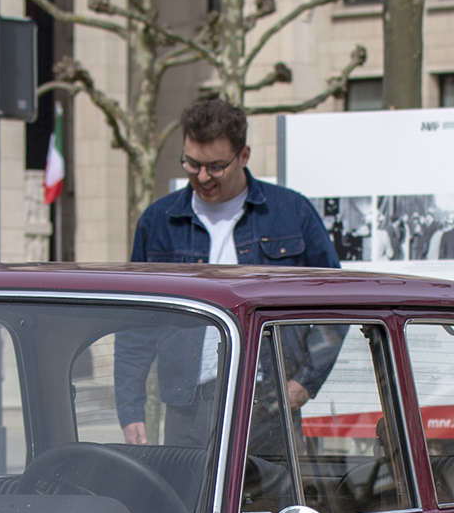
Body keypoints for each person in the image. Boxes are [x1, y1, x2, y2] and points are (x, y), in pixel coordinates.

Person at [118, 99, 341, 448]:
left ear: (244, 156)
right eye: (192, 163)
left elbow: (335, 301)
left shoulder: (291, 212)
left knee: (273, 502)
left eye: (216, 167)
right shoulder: (158, 222)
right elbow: (136, 322)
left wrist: (306, 382)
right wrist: (130, 408)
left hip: (270, 402)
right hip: (187, 406)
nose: (202, 176)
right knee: (184, 502)